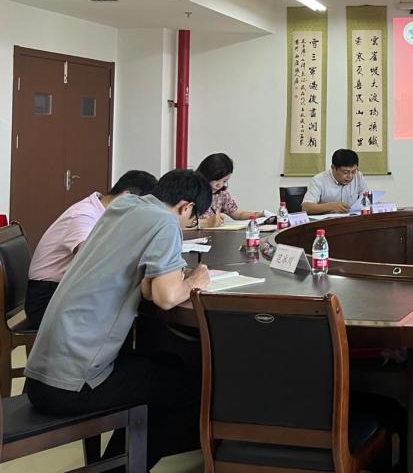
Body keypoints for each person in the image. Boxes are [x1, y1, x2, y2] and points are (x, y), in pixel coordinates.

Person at [24, 169, 212, 469]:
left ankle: (116, 463)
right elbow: (165, 296)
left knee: (163, 367)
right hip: (73, 383)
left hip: (42, 373)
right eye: (193, 219)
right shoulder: (164, 222)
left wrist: (166, 277)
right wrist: (195, 280)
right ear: (185, 207)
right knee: (192, 389)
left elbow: (148, 287)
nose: (188, 224)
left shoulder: (125, 206)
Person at [24, 170, 158, 330]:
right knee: (132, 308)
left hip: (68, 288)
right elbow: (91, 259)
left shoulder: (107, 212)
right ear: (126, 196)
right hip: (48, 297)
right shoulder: (84, 215)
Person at [195, 152, 262, 227]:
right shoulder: (191, 192)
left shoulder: (221, 195)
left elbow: (238, 214)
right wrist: (206, 223)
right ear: (206, 174)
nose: (219, 185)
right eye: (216, 180)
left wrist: (260, 215)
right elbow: (184, 223)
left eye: (224, 181)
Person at [302, 148, 370, 215]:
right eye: (345, 172)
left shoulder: (358, 176)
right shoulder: (318, 180)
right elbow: (306, 207)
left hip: (352, 219)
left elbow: (367, 198)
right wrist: (331, 206)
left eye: (353, 171)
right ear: (333, 168)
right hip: (328, 221)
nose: (350, 176)